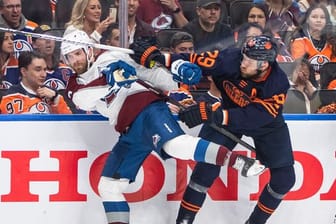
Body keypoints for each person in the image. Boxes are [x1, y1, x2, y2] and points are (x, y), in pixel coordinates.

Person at [60, 30, 265, 224]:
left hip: (148, 109)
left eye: (78, 53)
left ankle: (239, 162)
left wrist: (177, 79)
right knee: (108, 186)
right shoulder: (74, 84)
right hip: (128, 128)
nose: (75, 60)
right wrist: (111, 81)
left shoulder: (113, 57)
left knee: (174, 145)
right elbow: (84, 100)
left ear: (88, 50)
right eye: (70, 57)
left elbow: (149, 72)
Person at [131, 34, 296, 224]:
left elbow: (257, 116)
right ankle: (184, 221)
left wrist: (213, 114)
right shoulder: (231, 59)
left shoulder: (277, 83)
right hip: (228, 110)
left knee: (285, 179)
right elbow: (194, 60)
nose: (243, 63)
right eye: (244, 56)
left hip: (265, 125)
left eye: (250, 61)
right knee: (206, 167)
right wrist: (159, 58)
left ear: (264, 65)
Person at [0, 51, 72, 114]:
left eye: (44, 69)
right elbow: (22, 124)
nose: (43, 75)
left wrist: (56, 98)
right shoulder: (11, 96)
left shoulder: (52, 93)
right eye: (38, 70)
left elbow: (69, 122)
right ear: (24, 71)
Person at [290, 4, 335, 87]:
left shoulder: (332, 41)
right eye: (314, 17)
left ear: (327, 21)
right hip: (306, 82)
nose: (319, 20)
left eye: (322, 17)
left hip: (329, 84)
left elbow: (334, 68)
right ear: (307, 20)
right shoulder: (299, 38)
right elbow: (300, 65)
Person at [32, 24, 73, 90]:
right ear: (34, 44)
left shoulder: (67, 69)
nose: (48, 41)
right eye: (43, 37)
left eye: (51, 36)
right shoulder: (31, 72)